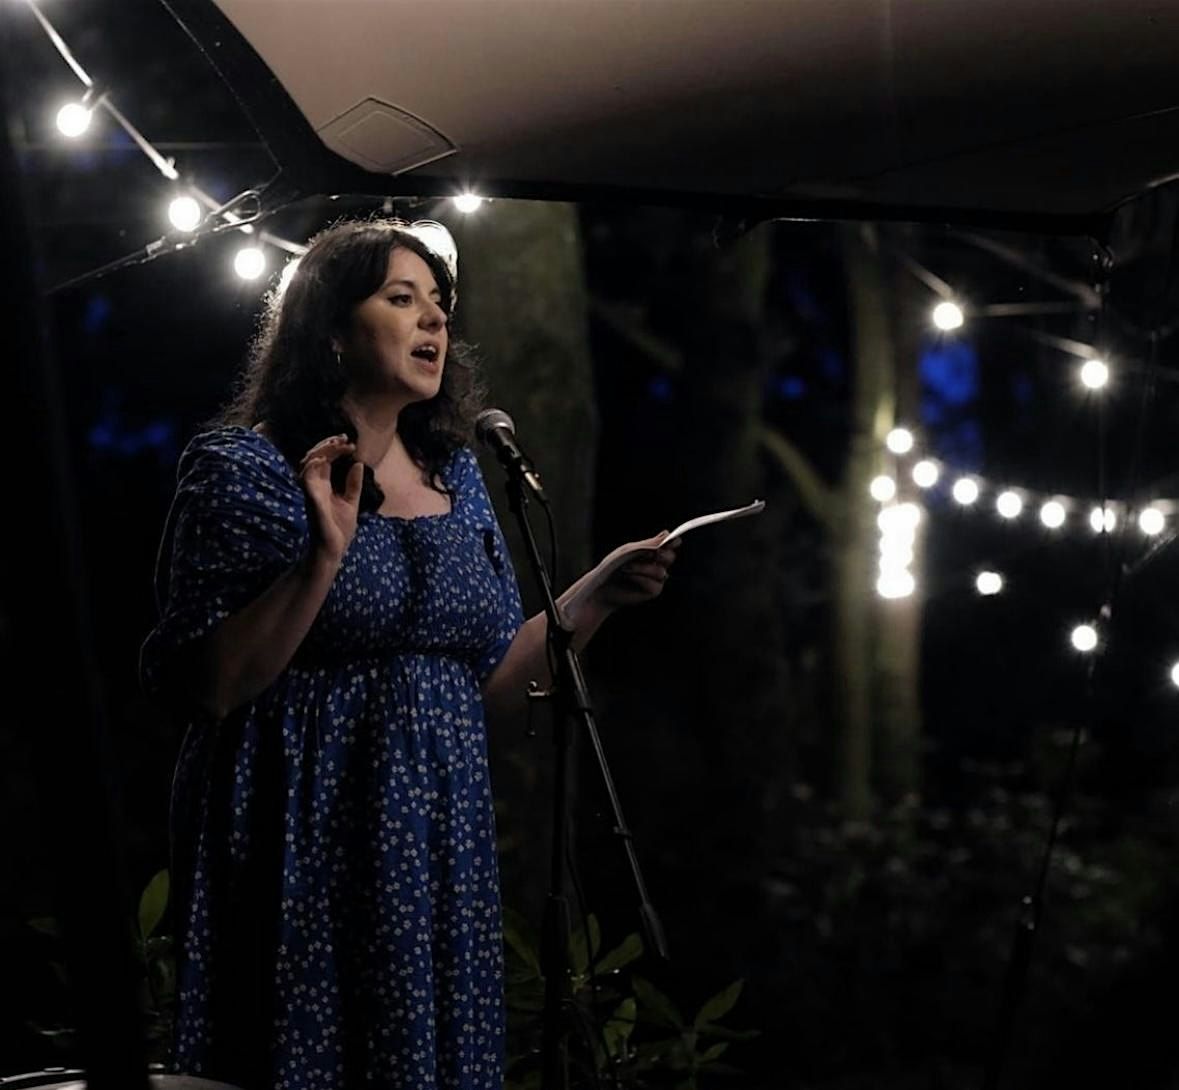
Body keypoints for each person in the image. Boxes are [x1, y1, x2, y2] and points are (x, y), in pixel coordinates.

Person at [140, 217, 677, 1090]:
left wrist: (598, 595)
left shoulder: (456, 475)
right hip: (305, 822)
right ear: (330, 328)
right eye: (401, 299)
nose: (434, 320)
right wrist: (323, 555)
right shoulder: (246, 467)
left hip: (436, 834)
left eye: (438, 305)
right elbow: (212, 685)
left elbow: (489, 686)